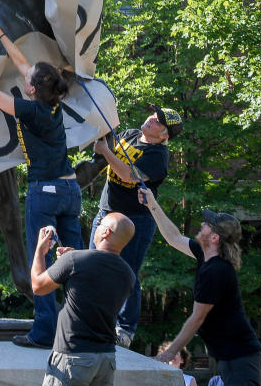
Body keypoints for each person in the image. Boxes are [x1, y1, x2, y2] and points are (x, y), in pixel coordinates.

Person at [0, 10, 81, 348]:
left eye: (28, 77)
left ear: (30, 88)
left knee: (39, 259)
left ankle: (44, 331)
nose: (24, 74)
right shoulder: (52, 100)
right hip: (71, 190)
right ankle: (80, 327)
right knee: (74, 260)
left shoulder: (31, 110)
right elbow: (24, 62)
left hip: (45, 192)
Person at [78, 106, 183, 348]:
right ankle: (92, 318)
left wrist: (106, 151)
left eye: (158, 121)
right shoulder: (130, 134)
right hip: (106, 213)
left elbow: (127, 174)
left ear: (165, 135)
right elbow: (103, 158)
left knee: (127, 273)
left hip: (136, 220)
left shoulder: (158, 157)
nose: (151, 119)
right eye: (153, 115)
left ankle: (124, 330)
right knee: (94, 266)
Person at [138, 188, 261, 386]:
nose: (202, 223)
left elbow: (196, 318)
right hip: (231, 356)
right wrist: (152, 204)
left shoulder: (215, 271)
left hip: (241, 357)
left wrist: (168, 353)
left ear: (215, 238)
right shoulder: (205, 256)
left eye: (208, 224)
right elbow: (174, 238)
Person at [29, 213, 136, 386]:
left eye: (100, 224)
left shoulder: (74, 261)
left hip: (73, 357)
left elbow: (38, 286)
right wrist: (71, 260)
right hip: (106, 360)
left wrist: (40, 252)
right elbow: (93, 280)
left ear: (106, 232)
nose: (98, 226)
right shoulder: (128, 275)